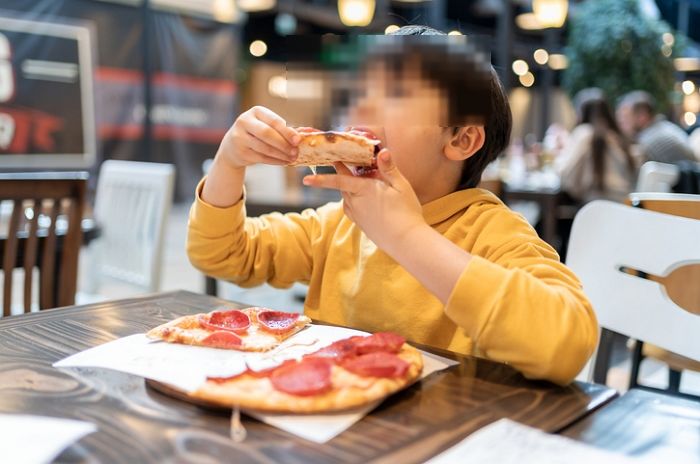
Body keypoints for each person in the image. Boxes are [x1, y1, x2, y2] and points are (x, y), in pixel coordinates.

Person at [187, 26, 598, 385]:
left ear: (460, 140)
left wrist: (405, 235)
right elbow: (221, 254)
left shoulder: (491, 233)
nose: (362, 109)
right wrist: (229, 162)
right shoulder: (336, 224)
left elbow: (568, 343)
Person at [558, 88, 639, 203]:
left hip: (594, 206)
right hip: (624, 205)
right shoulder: (620, 137)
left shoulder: (584, 133)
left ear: (581, 113)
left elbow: (566, 176)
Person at [616, 90, 695, 164]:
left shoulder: (653, 139)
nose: (620, 125)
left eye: (625, 119)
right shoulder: (662, 128)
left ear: (642, 116)